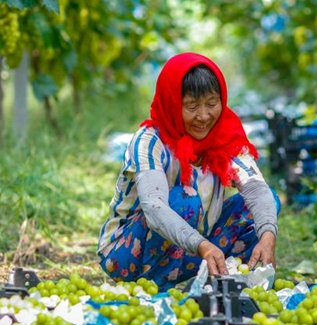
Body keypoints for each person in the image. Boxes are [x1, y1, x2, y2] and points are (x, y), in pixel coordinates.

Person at [97, 52, 280, 289]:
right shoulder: (149, 142)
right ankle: (153, 287)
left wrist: (268, 236)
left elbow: (257, 190)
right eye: (191, 106)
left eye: (212, 104)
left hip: (192, 248)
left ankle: (218, 279)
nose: (203, 116)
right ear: (173, 103)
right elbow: (154, 207)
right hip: (128, 255)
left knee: (266, 204)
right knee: (185, 200)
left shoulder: (224, 137)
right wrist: (202, 245)